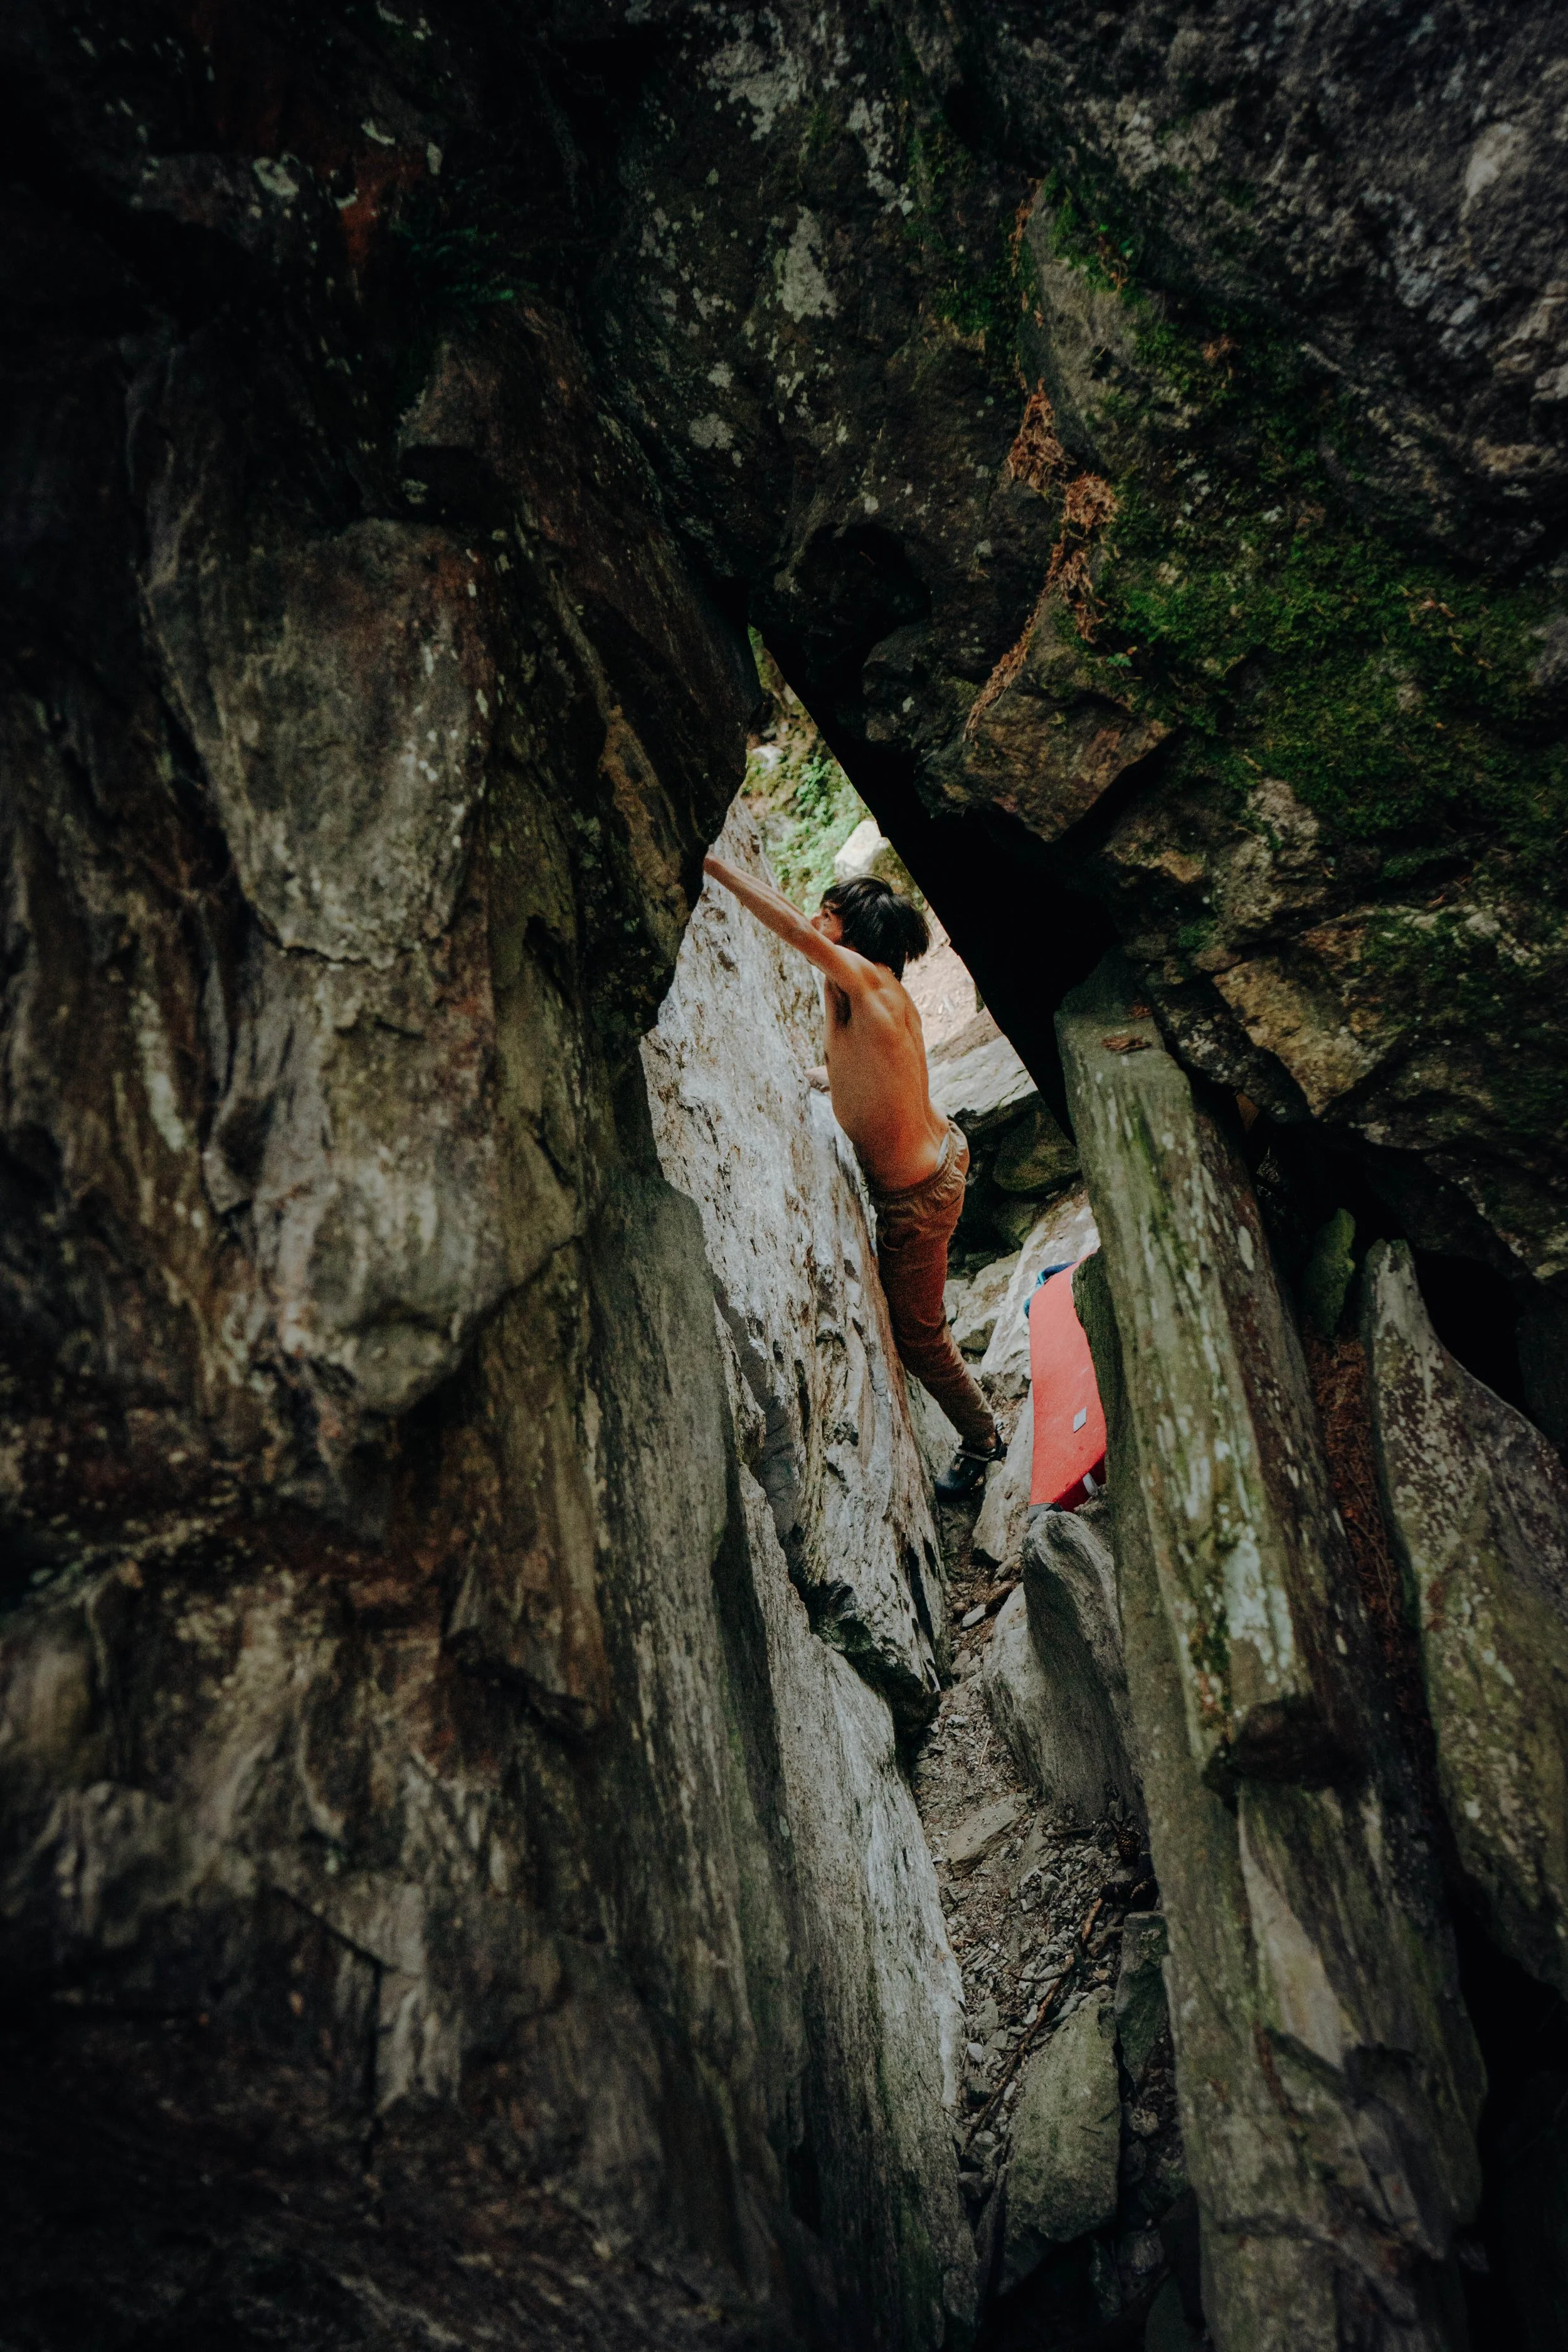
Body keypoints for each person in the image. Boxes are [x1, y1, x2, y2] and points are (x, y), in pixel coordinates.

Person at [701, 852, 1005, 1499]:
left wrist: (710, 862)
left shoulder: (866, 983)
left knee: (920, 1340)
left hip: (917, 1198)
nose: (817, 920)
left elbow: (790, 928)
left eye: (830, 917)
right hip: (935, 1157)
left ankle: (984, 1441)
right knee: (923, 1325)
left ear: (851, 935)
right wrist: (830, 1077)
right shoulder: (876, 992)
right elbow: (881, 1071)